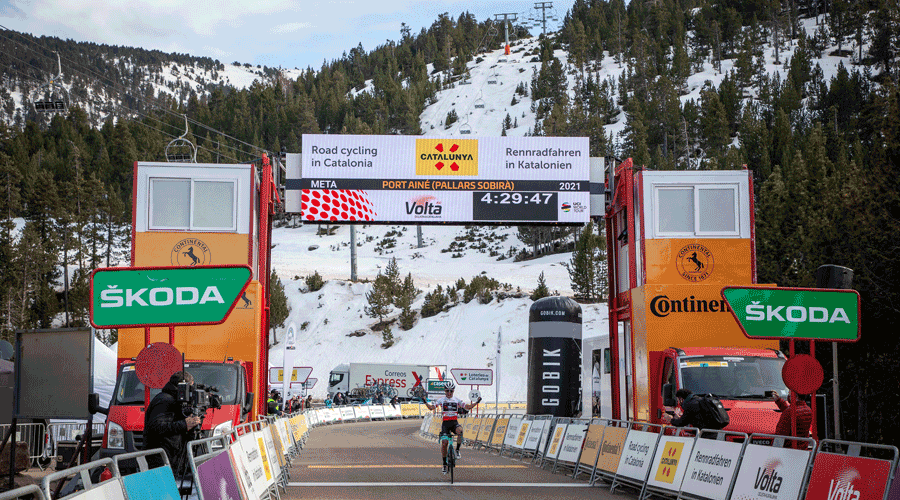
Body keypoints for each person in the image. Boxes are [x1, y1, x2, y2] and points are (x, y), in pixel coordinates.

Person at [144, 371, 202, 480]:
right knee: (162, 489)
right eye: (191, 387)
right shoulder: (165, 400)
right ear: (182, 387)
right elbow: (157, 427)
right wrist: (185, 424)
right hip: (162, 455)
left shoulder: (173, 400)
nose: (192, 391)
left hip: (171, 453)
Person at [421, 380, 481, 474]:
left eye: (451, 391)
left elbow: (468, 407)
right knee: (444, 443)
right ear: (445, 391)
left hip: (454, 423)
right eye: (447, 391)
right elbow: (431, 408)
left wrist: (476, 402)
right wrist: (425, 401)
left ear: (453, 391)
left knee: (460, 431)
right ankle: (444, 464)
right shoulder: (441, 400)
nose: (449, 393)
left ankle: (457, 450)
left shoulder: (457, 400)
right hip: (445, 424)